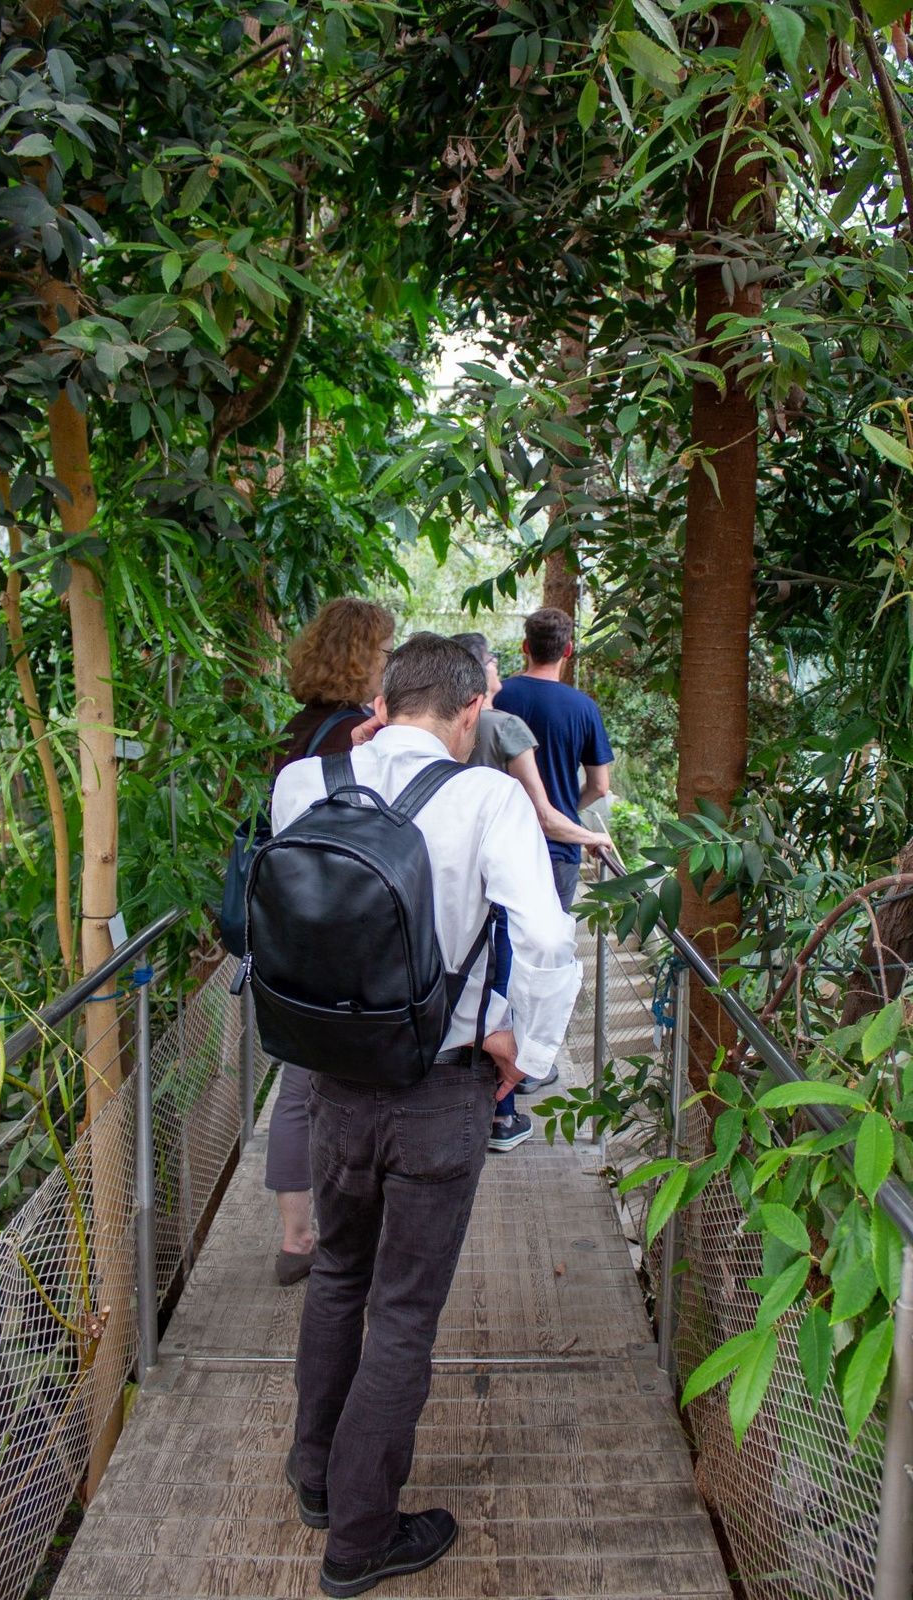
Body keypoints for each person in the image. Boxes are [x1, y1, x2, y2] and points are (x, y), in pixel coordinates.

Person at [273, 633, 580, 1597]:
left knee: (337, 1275)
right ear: (471, 710)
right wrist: (528, 1053)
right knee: (403, 1312)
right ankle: (361, 1538)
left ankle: (316, 1476)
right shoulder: (487, 797)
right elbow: (546, 941)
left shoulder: (305, 782)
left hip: (332, 1080)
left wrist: (355, 750)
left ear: (383, 700)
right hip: (441, 1091)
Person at [266, 597, 394, 1287]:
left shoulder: (293, 730)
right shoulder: (352, 736)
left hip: (289, 922)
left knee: (296, 1080)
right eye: (385, 651)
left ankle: (296, 1235)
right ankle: (331, 1236)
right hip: (339, 927)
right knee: (331, 1081)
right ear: (364, 656)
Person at [450, 631, 610, 1149]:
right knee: (518, 970)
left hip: (450, 874)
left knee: (465, 972)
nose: (499, 672)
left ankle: (468, 1087)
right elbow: (554, 809)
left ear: (526, 647)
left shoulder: (435, 729)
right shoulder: (507, 724)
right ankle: (509, 1095)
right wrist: (586, 833)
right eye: (492, 664)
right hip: (525, 863)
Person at [493, 607, 613, 1089]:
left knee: (497, 947)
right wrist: (567, 810)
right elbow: (600, 786)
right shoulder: (583, 708)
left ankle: (491, 1048)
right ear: (568, 650)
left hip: (500, 840)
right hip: (556, 849)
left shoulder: (499, 696)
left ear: (525, 646)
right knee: (543, 960)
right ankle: (527, 1064)